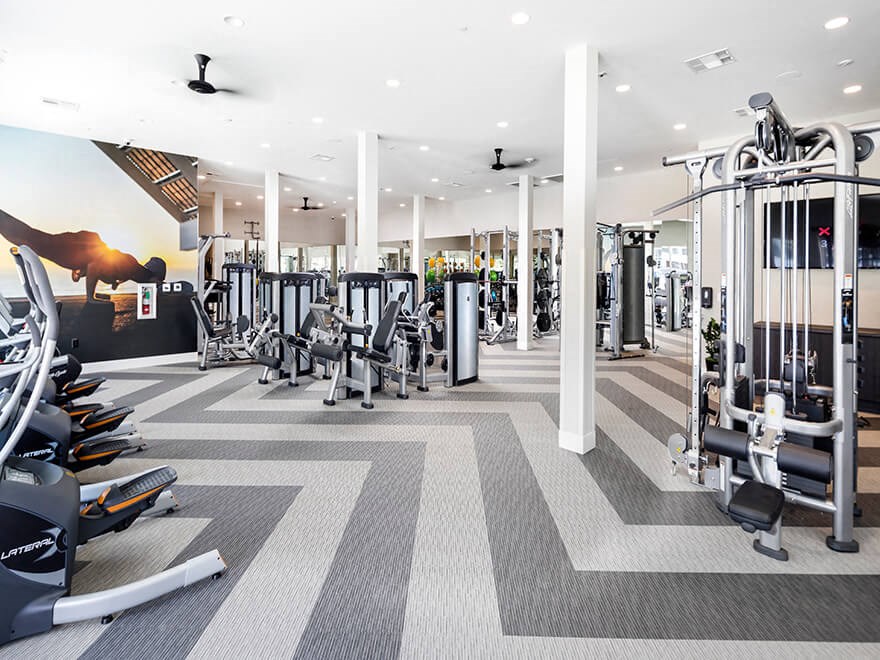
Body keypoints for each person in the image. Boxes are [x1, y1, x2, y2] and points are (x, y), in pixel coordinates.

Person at [0, 209, 166, 302]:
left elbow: (104, 268)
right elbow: (96, 264)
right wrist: (90, 297)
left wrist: (109, 280)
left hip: (80, 250)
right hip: (79, 248)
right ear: (154, 278)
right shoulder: (130, 266)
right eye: (157, 283)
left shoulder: (130, 271)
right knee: (30, 239)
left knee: (31, 239)